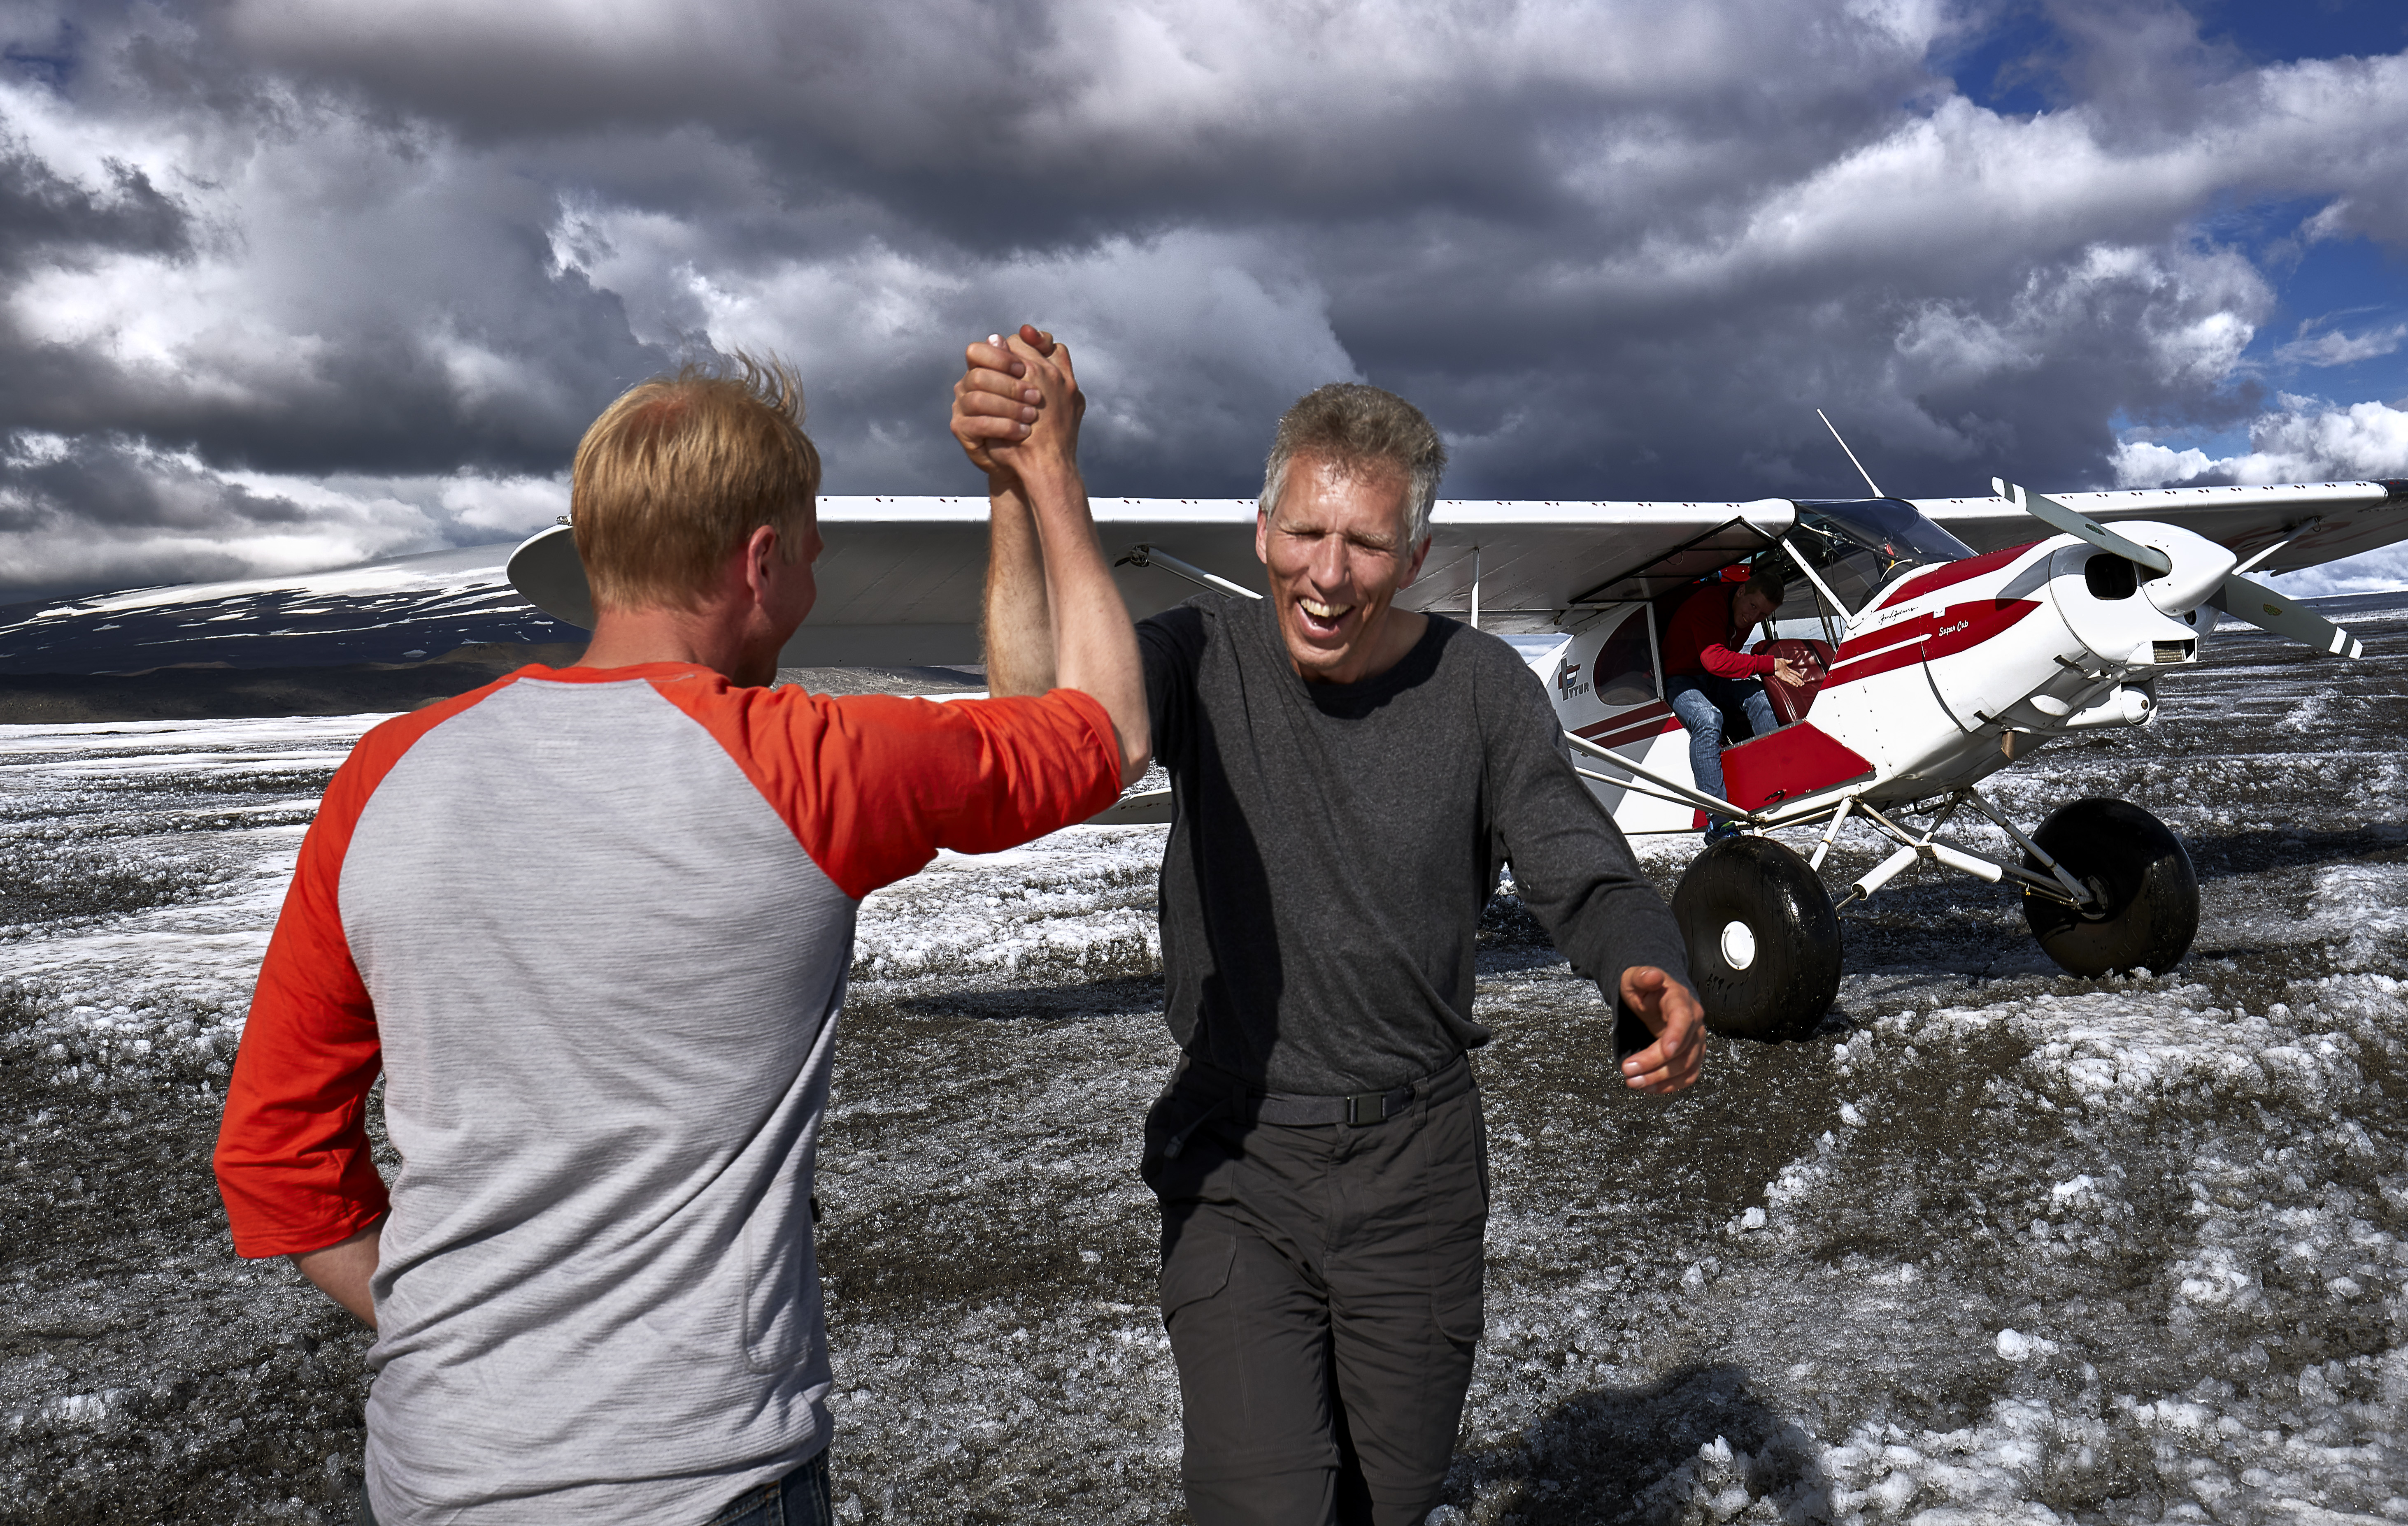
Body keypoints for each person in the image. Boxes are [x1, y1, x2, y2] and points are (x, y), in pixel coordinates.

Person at [211, 350, 1149, 1525]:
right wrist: (1046, 473)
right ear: (760, 563)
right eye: (806, 558)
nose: (806, 591)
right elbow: (1102, 730)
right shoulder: (805, 768)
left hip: (438, 1469)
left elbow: (276, 1168)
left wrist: (474, 1342)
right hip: (706, 1478)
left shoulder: (383, 778)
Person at [950, 337, 1703, 1526]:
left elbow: (1577, 864)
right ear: (1262, 532)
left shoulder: (1482, 689)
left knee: (1387, 1503)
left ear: (1411, 557)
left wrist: (1644, 959)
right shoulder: (1202, 658)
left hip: (1418, 1169)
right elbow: (1047, 722)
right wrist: (1018, 482)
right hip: (1238, 1156)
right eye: (1306, 533)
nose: (1329, 573)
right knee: (1266, 1504)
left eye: (1364, 544)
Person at [1660, 569, 1812, 841]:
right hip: (1679, 680)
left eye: (1762, 615)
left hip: (1710, 680)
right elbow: (1714, 659)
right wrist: (1768, 666)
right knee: (1708, 720)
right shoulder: (1709, 604)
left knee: (1758, 695)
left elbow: (1717, 666)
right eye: (1753, 607)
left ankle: (1776, 783)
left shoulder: (1743, 610)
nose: (1753, 618)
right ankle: (1718, 823)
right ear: (1741, 591)